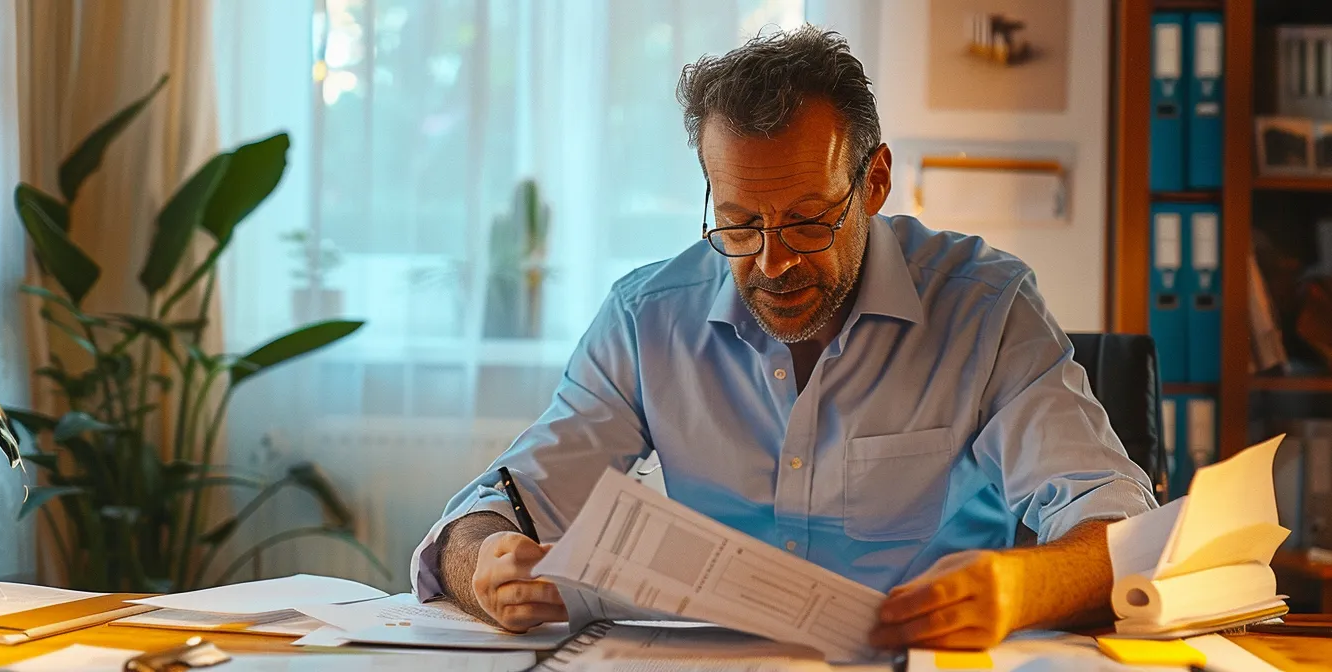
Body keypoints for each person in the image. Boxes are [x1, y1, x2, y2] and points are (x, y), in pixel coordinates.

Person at [410, 26, 1156, 651]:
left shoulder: (986, 309)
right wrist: (483, 563)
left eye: (808, 219)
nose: (772, 261)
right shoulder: (647, 319)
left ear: (874, 182)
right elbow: (501, 506)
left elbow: (1119, 518)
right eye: (738, 223)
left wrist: (1021, 586)